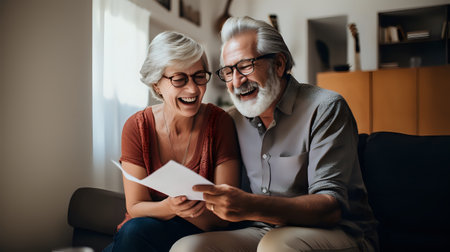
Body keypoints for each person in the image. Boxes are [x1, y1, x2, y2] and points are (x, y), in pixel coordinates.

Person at [170, 16, 379, 252]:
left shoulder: (326, 108)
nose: (237, 81)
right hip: (263, 231)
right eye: (228, 71)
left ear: (279, 64)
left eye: (246, 66)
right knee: (187, 248)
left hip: (339, 232)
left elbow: (330, 209)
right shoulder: (230, 120)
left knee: (275, 246)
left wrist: (251, 205)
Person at [103, 31, 241, 252]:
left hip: (198, 231)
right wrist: (170, 207)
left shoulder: (219, 123)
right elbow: (135, 206)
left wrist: (185, 211)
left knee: (134, 234)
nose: (193, 89)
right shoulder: (137, 127)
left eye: (199, 76)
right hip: (142, 230)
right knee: (132, 233)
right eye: (179, 79)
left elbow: (226, 213)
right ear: (157, 85)